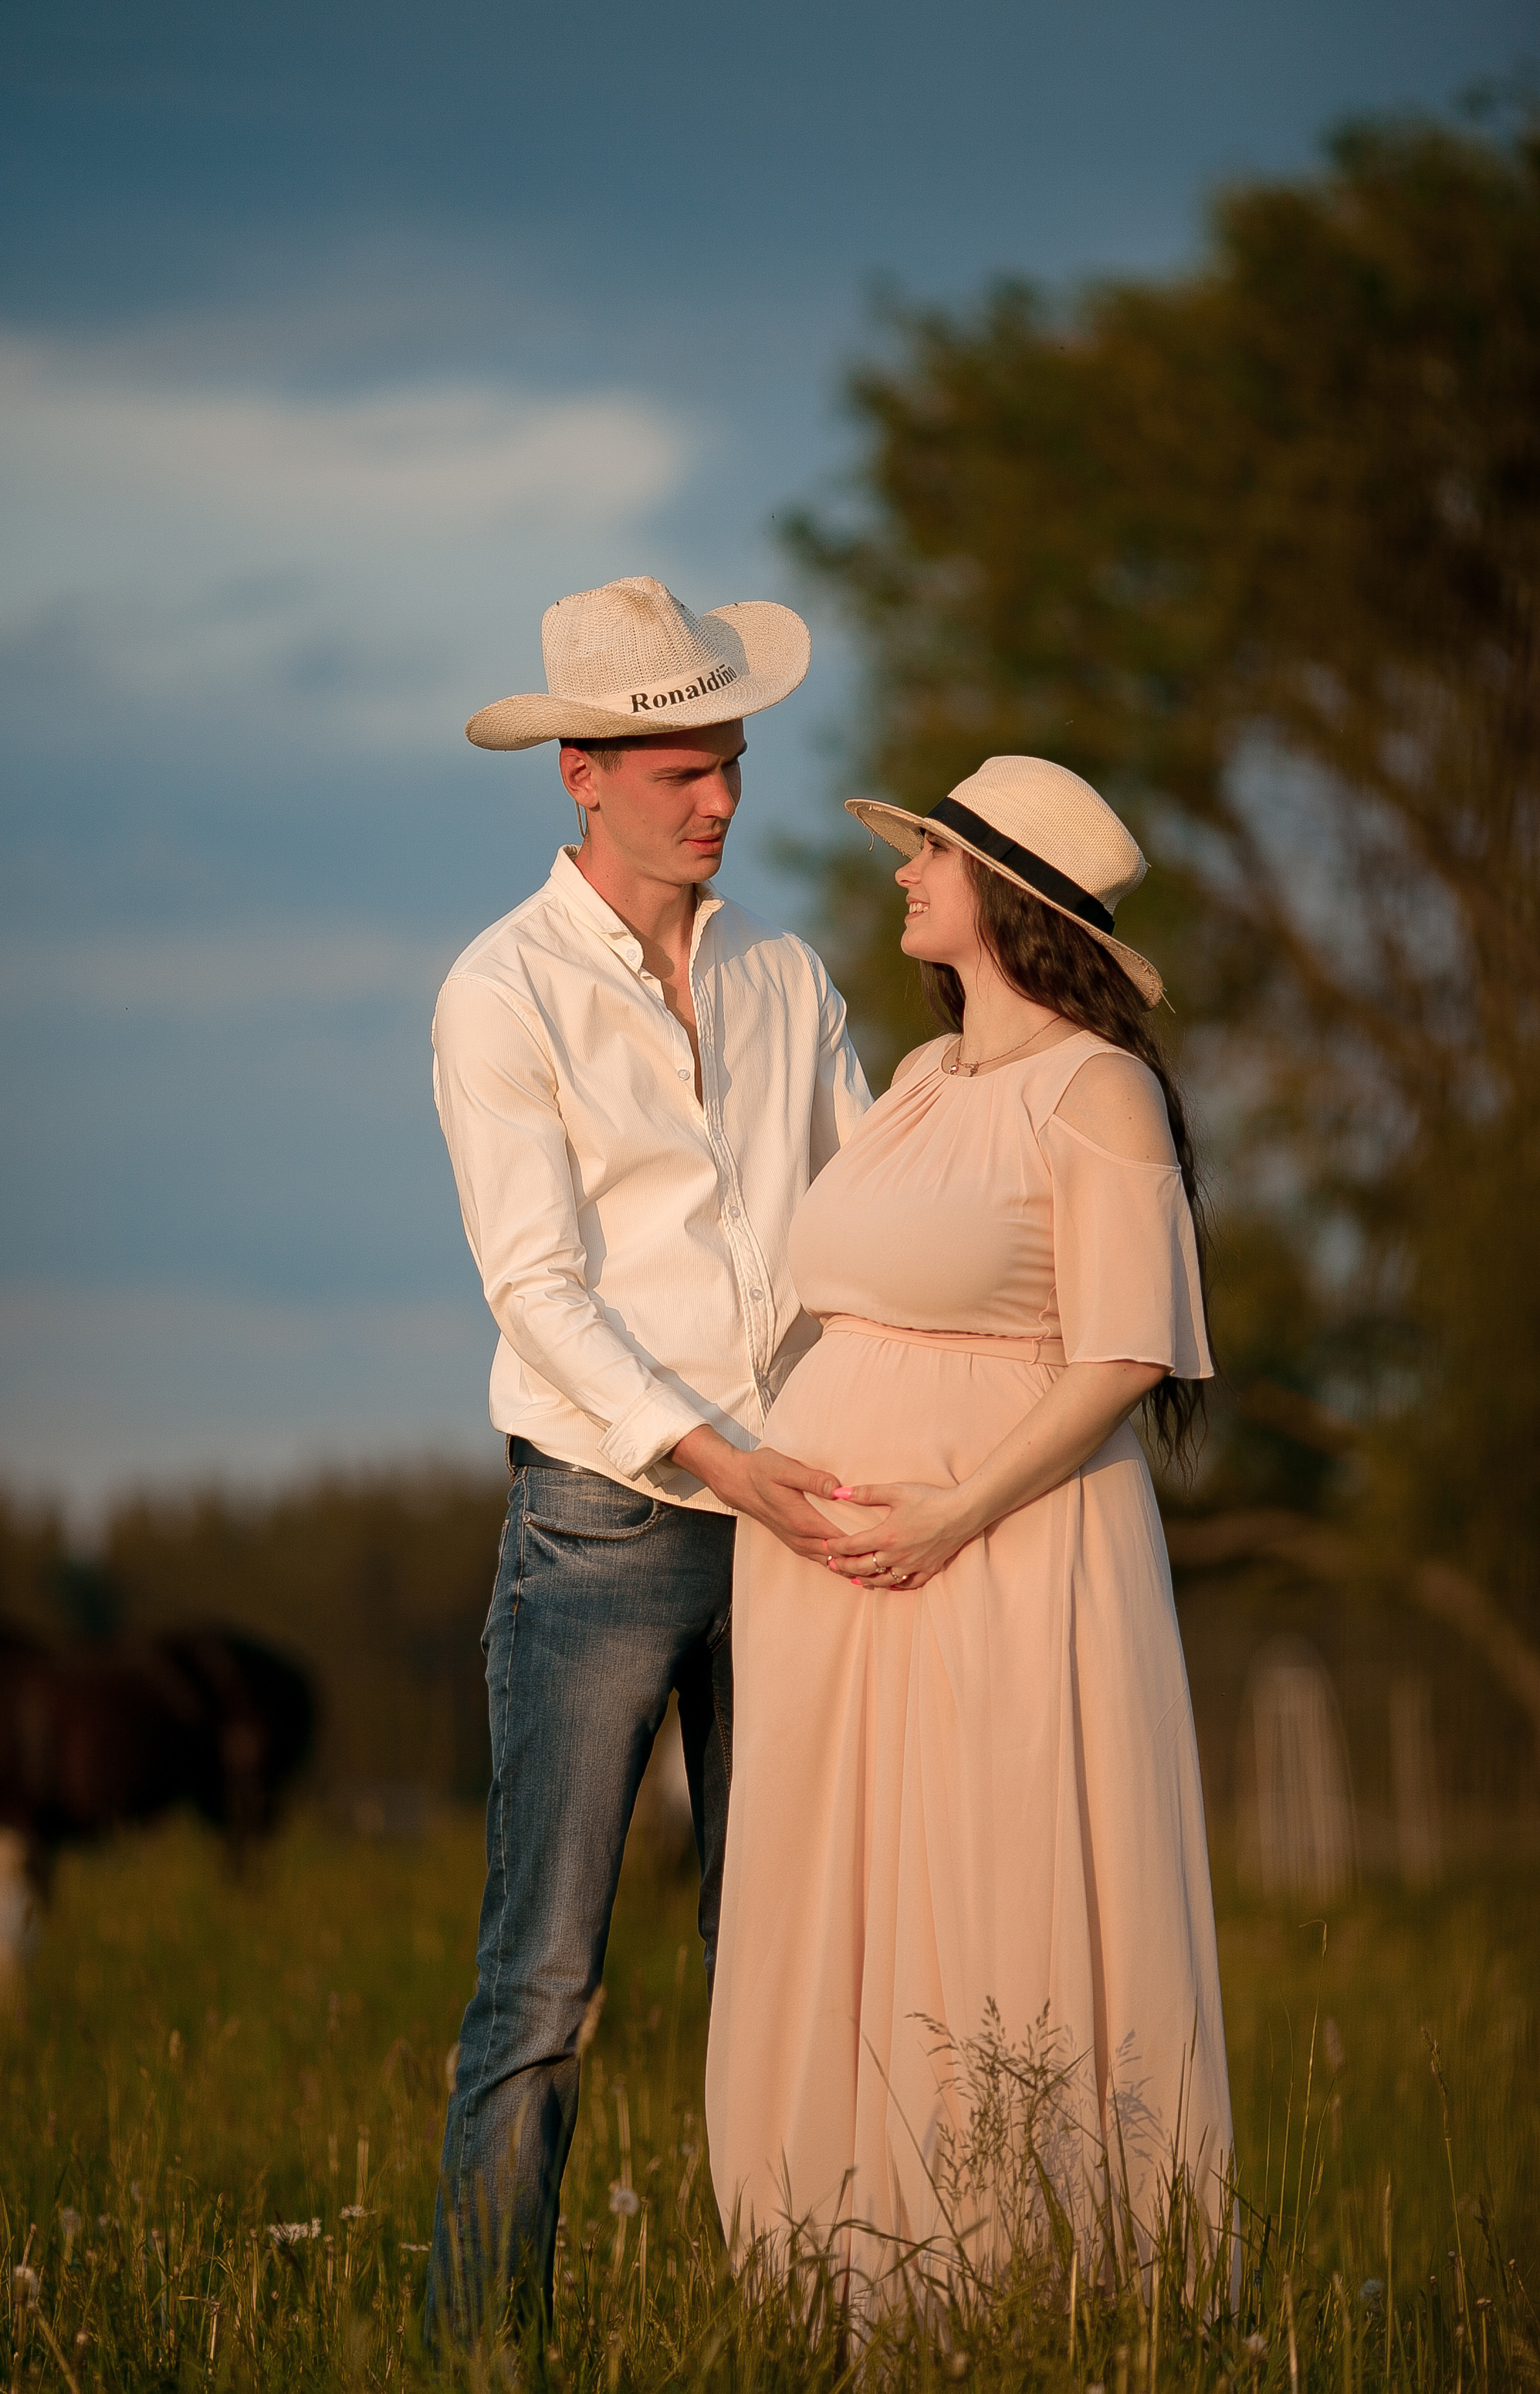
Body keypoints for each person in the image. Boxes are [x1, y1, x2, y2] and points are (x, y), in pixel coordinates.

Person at [705, 755, 1234, 2301]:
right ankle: (832, 2271)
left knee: (988, 1876)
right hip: (837, 1571)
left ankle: (1018, 2278)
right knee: (841, 1889)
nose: (898, 875)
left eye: (924, 853)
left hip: (1000, 1550)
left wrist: (950, 1510)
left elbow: (1125, 1355)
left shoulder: (1099, 1090)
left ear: (998, 891)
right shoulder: (925, 1085)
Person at [427, 575, 871, 2336]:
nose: (724, 802)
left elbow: (861, 1230)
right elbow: (537, 1293)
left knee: (783, 1973)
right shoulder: (501, 994)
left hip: (798, 1516)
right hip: (604, 1529)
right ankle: (482, 2358)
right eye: (687, 768)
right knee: (543, 1983)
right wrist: (722, 1459)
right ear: (582, 775)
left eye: (736, 763)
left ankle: (811, 2328)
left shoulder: (786, 971)